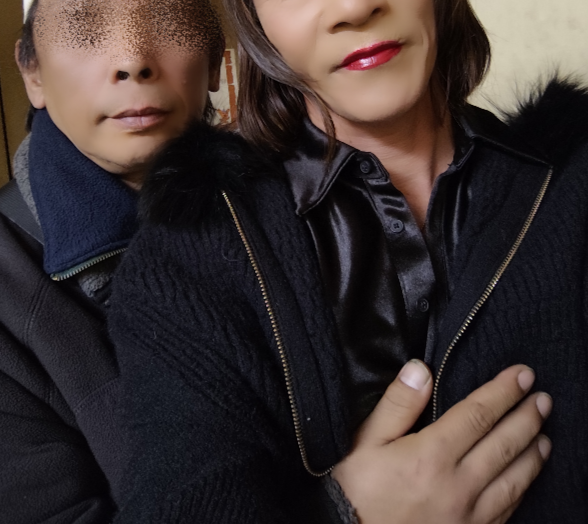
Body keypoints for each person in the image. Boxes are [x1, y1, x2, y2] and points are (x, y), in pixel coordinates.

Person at [107, 0, 588, 522]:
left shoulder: (571, 185)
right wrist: (343, 514)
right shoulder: (185, 261)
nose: (354, 8)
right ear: (253, 15)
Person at [0, 0, 224, 521]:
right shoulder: (8, 290)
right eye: (84, 25)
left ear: (214, 63)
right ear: (32, 73)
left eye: (167, 18)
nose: (131, 60)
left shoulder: (298, 203)